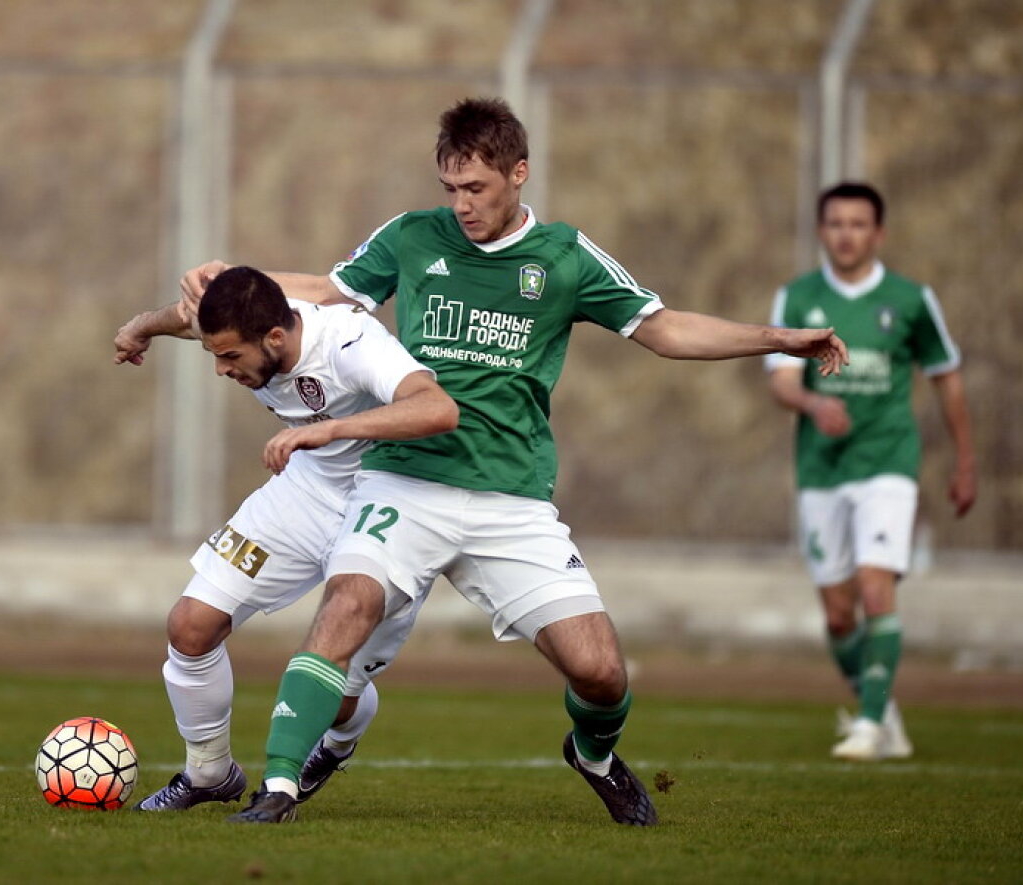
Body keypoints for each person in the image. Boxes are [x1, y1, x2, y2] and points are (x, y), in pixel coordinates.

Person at [182, 97, 847, 826]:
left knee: (599, 671)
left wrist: (778, 338)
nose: (462, 205)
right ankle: (276, 789)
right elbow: (328, 291)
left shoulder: (563, 257)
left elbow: (665, 329)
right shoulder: (412, 238)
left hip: (512, 496)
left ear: (518, 173)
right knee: (347, 605)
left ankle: (592, 753)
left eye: (477, 189)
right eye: (451, 189)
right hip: (406, 478)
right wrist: (234, 280)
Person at [112, 265, 458, 810]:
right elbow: (186, 318)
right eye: (214, 355)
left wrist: (328, 429)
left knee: (337, 696)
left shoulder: (350, 343)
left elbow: (436, 407)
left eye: (230, 357)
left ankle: (339, 741)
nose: (221, 369)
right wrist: (142, 327)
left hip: (386, 503)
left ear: (275, 337)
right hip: (304, 493)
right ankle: (208, 773)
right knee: (191, 626)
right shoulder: (251, 317)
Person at [766, 181, 976, 761]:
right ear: (821, 231)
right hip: (821, 469)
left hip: (888, 462)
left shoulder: (910, 300)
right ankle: (881, 710)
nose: (847, 234)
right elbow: (782, 382)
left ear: (878, 233)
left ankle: (866, 726)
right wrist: (813, 404)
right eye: (836, 223)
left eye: (859, 224)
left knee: (876, 585)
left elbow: (946, 377)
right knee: (838, 614)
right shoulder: (796, 298)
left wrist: (965, 459)